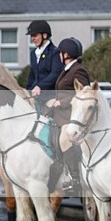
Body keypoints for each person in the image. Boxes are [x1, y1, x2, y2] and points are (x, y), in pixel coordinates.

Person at [48, 37, 91, 196]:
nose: (59, 55)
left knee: (65, 139)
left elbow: (83, 94)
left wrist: (62, 102)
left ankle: (75, 179)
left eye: (60, 53)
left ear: (66, 54)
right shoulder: (66, 70)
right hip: (59, 114)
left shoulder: (78, 70)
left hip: (71, 115)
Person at [25, 20, 63, 110]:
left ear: (45, 35)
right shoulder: (33, 53)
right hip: (34, 96)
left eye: (35, 35)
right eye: (31, 36)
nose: (32, 38)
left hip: (49, 96)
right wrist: (27, 91)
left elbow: (55, 74)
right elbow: (32, 75)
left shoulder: (55, 52)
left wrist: (40, 86)